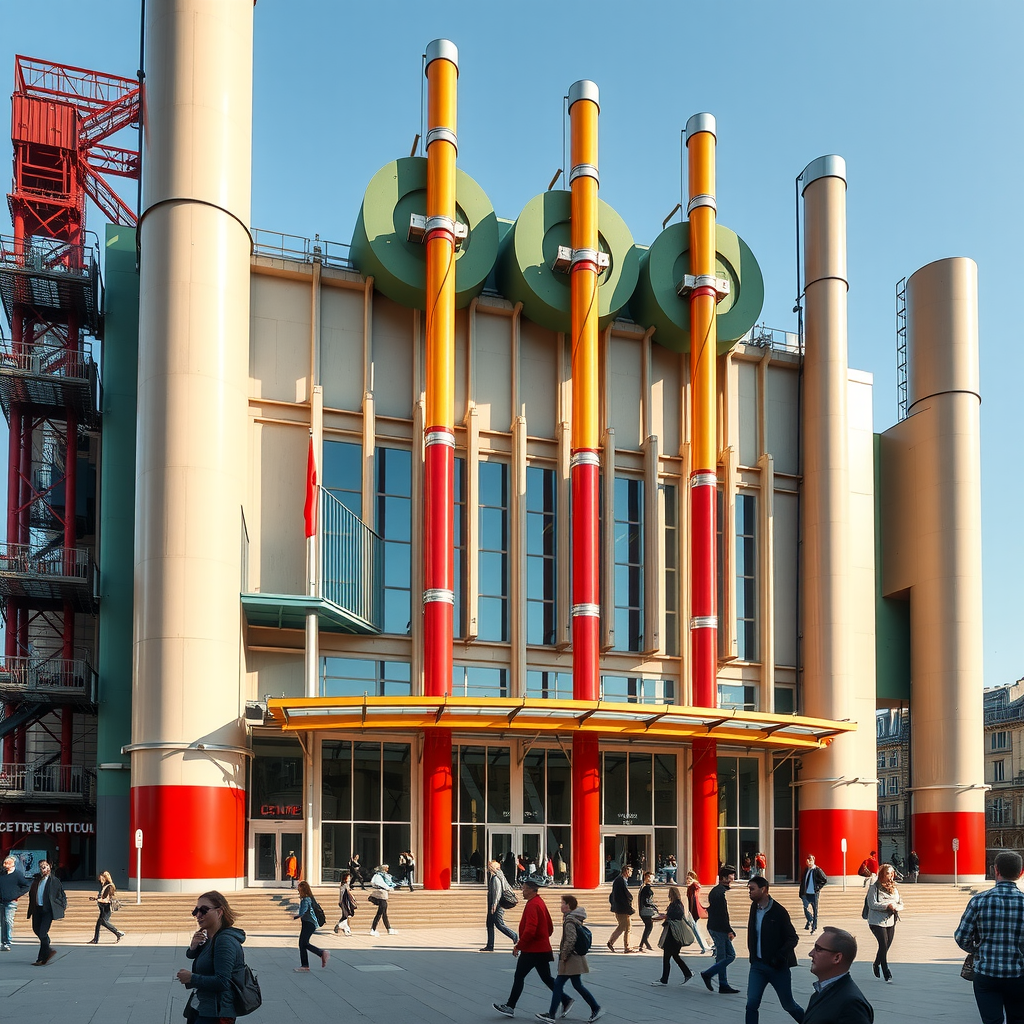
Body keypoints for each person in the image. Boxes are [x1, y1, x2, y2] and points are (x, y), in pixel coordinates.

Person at [955, 849, 1024, 1024]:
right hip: (1018, 974)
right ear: (1020, 873)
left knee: (991, 1020)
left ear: (996, 870)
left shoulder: (979, 901)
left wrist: (978, 949)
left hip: (986, 973)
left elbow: (961, 937)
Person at [493, 877, 570, 1018]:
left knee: (519, 976)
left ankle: (510, 1006)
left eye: (524, 889)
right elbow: (550, 927)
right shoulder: (539, 902)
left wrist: (519, 946)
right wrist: (543, 938)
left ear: (531, 890)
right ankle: (565, 1000)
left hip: (532, 950)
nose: (522, 891)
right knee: (546, 978)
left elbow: (530, 930)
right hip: (541, 948)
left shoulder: (533, 905)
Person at [177, 890, 246, 1021]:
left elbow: (222, 981)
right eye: (195, 910)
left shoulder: (224, 941)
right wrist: (193, 947)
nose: (198, 915)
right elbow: (197, 958)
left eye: (203, 910)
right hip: (203, 1007)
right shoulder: (210, 938)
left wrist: (192, 978)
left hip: (215, 1012)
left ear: (219, 912)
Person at [744, 874, 804, 1024]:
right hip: (757, 966)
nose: (749, 892)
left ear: (763, 889)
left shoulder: (779, 912)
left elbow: (792, 938)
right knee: (751, 1004)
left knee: (788, 1005)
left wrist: (779, 956)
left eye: (752, 889)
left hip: (777, 967)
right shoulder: (754, 908)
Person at [536, 893, 603, 1023]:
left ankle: (551, 1015)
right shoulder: (573, 918)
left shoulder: (570, 920)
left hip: (571, 958)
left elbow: (571, 939)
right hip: (575, 958)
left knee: (558, 985)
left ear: (568, 905)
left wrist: (564, 955)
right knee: (577, 985)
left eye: (562, 903)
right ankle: (595, 1007)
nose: (561, 906)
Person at [804, 926, 874, 1024]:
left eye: (818, 949)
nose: (810, 953)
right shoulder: (821, 992)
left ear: (837, 958)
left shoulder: (851, 1005)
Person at [700, 864, 740, 994]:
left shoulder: (717, 890)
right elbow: (722, 914)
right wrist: (729, 930)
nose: (733, 878)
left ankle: (723, 984)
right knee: (729, 956)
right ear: (724, 877)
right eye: (731, 875)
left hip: (716, 927)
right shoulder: (720, 892)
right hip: (719, 928)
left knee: (724, 957)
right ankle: (709, 974)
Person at [865, 863, 903, 983]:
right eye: (888, 873)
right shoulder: (874, 887)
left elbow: (900, 901)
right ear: (882, 874)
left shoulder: (894, 887)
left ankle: (876, 963)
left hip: (891, 919)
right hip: (876, 921)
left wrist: (897, 907)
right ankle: (886, 972)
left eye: (892, 873)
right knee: (883, 944)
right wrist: (887, 906)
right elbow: (872, 904)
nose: (891, 875)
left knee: (887, 944)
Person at [650, 885, 694, 986]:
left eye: (670, 894)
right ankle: (686, 974)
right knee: (674, 956)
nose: (668, 896)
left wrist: (664, 916)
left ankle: (665, 980)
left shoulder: (677, 904)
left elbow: (677, 916)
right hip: (672, 934)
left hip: (674, 935)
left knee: (668, 957)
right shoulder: (675, 904)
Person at [26, 860, 66, 967]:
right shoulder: (37, 880)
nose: (43, 868)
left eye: (45, 866)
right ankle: (47, 948)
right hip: (37, 909)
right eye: (41, 866)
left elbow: (61, 895)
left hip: (47, 910)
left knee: (43, 933)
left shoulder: (54, 880)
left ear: (50, 867)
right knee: (37, 930)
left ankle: (43, 957)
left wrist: (62, 906)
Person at [483, 858, 519, 951]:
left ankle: (514, 936)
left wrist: (494, 904)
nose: (488, 868)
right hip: (493, 903)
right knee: (489, 924)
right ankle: (490, 945)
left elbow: (498, 892)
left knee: (499, 923)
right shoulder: (497, 876)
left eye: (490, 866)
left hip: (497, 904)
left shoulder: (496, 878)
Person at [292, 880, 329, 971]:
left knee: (303, 943)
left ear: (303, 890)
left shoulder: (305, 900)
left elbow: (302, 912)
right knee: (303, 944)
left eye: (299, 889)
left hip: (309, 923)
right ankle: (307, 963)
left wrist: (295, 916)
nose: (298, 891)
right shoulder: (310, 898)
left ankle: (319, 955)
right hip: (310, 924)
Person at [1, 855, 31, 951]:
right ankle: (3, 942)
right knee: (2, 922)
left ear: (12, 864)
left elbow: (26, 885)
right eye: (4, 863)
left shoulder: (17, 874)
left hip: (11, 902)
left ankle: (8, 941)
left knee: (8, 921)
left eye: (7, 863)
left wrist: (17, 894)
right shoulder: (1, 874)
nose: (4, 865)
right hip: (1, 901)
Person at [87, 870, 125, 944]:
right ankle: (95, 939)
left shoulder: (109, 886)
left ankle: (118, 932)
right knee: (99, 923)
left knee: (104, 921)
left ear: (104, 877)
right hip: (102, 907)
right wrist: (96, 898)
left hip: (106, 908)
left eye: (100, 877)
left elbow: (106, 899)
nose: (99, 879)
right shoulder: (104, 886)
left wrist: (97, 899)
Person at [606, 863, 636, 953]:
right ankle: (625, 946)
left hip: (621, 908)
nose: (631, 873)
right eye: (630, 871)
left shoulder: (621, 880)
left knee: (624, 927)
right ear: (626, 871)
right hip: (622, 909)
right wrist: (628, 907)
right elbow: (620, 897)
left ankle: (613, 942)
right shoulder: (620, 881)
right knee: (625, 927)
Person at [799, 855, 828, 934]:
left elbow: (824, 879)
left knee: (815, 910)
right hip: (806, 893)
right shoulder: (806, 870)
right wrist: (801, 892)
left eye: (809, 861)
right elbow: (803, 881)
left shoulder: (817, 870)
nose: (808, 863)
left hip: (814, 893)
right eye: (807, 862)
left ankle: (814, 927)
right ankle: (810, 920)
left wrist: (818, 887)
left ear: (813, 861)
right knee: (806, 908)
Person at [684, 870, 710, 954]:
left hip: (694, 911)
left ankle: (704, 946)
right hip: (693, 911)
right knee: (694, 929)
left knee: (695, 929)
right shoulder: (692, 887)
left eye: (689, 878)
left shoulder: (693, 887)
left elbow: (693, 900)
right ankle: (705, 944)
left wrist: (690, 912)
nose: (687, 881)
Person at [369, 862, 397, 935]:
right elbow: (382, 884)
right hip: (381, 895)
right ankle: (373, 929)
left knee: (384, 913)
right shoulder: (379, 876)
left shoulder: (379, 875)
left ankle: (389, 928)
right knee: (380, 913)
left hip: (383, 894)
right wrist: (388, 888)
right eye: (386, 868)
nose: (387, 870)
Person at [637, 871, 658, 952]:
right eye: (649, 877)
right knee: (649, 926)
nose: (651, 878)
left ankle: (642, 944)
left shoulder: (645, 887)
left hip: (644, 910)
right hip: (646, 910)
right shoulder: (646, 888)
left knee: (648, 926)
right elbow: (646, 901)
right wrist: (653, 906)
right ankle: (645, 942)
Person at [333, 870, 356, 935]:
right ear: (345, 878)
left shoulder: (343, 884)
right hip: (344, 902)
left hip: (343, 901)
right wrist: (353, 898)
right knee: (345, 915)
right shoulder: (345, 885)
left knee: (345, 916)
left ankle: (346, 929)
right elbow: (348, 892)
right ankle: (340, 926)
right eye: (348, 877)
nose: (349, 878)